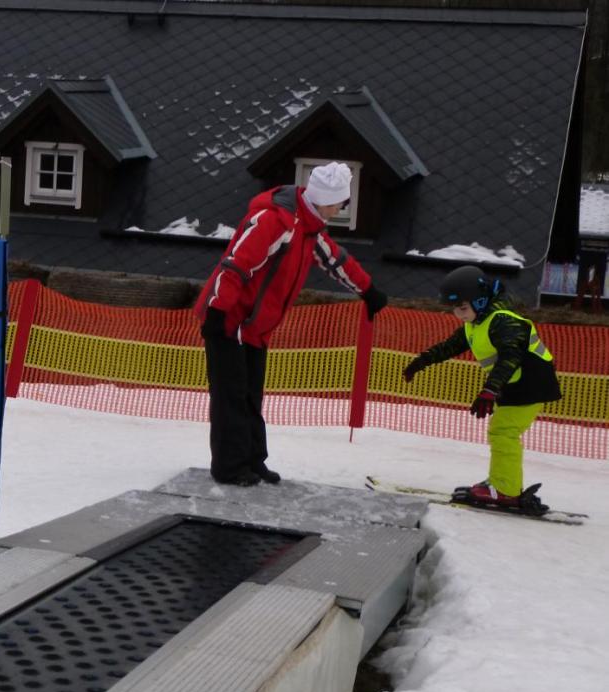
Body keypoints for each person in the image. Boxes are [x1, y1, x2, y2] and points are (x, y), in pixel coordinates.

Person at [195, 161, 388, 486]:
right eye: (342, 201)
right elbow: (236, 264)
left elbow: (335, 260)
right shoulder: (276, 220)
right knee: (231, 396)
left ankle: (253, 461)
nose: (342, 207)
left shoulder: (308, 228)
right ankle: (229, 467)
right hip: (228, 319)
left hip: (254, 327)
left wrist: (368, 290)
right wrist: (217, 311)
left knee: (251, 396)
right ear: (327, 200)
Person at [402, 265, 561, 507]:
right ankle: (501, 482)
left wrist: (490, 389)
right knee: (501, 432)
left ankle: (505, 489)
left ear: (481, 300)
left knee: (503, 432)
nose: (459, 314)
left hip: (531, 384)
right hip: (516, 384)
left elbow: (511, 357)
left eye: (463, 308)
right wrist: (421, 362)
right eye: (455, 309)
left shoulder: (504, 321)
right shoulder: (476, 323)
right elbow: (450, 346)